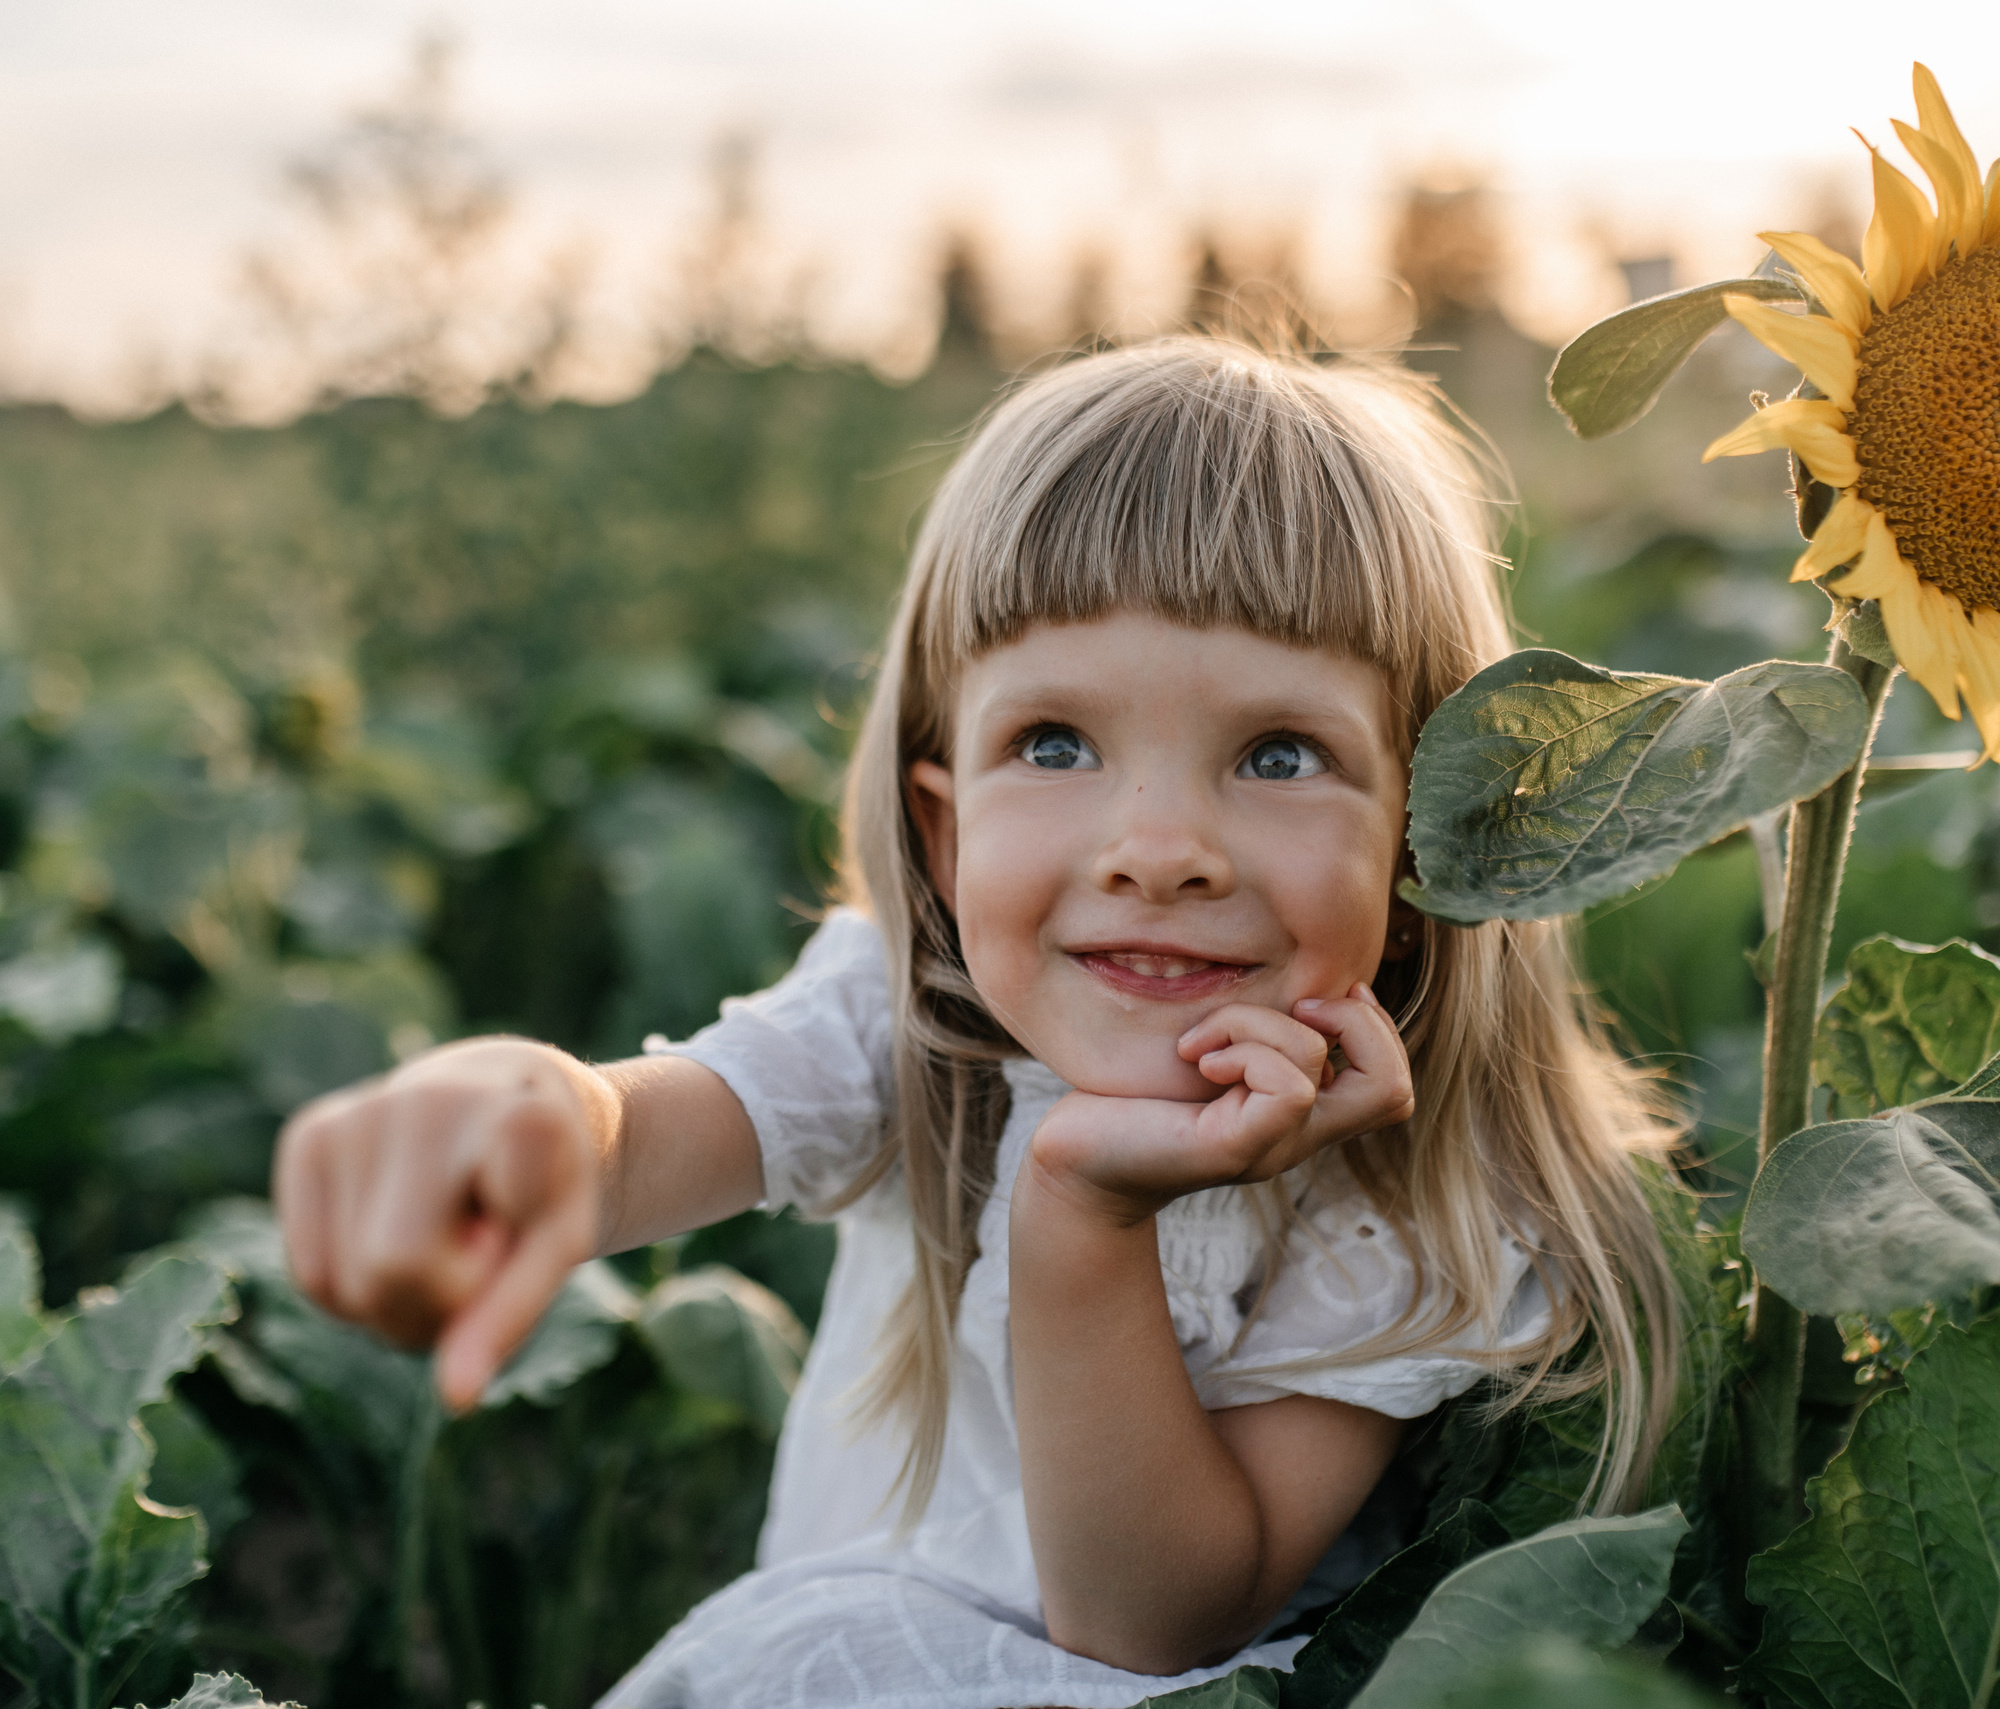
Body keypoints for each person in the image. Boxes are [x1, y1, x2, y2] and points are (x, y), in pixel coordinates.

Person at [273, 336, 1695, 1708]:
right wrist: (521, 1111)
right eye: (1055, 744)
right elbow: (649, 1135)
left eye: (1279, 754)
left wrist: (1085, 1210)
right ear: (943, 834)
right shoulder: (910, 1017)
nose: (1158, 849)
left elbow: (1148, 1626)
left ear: (1426, 849)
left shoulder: (1421, 1193)